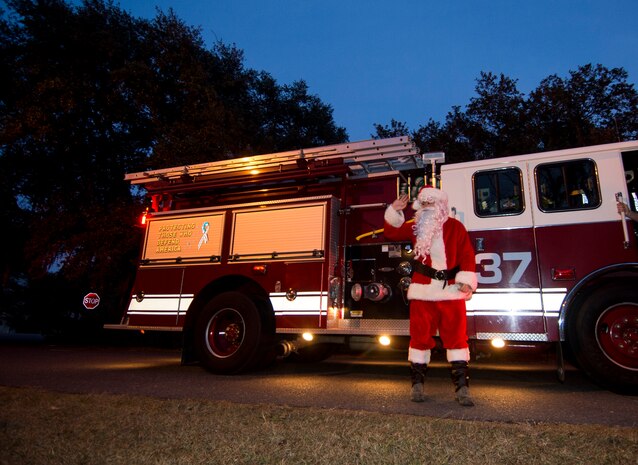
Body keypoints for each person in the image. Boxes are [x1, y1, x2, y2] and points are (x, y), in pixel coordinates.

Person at [384, 187, 477, 406]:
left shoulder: (456, 227)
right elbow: (391, 233)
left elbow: (466, 254)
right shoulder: (416, 227)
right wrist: (395, 211)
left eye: (430, 204)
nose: (425, 208)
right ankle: (417, 386)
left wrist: (465, 280)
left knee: (456, 339)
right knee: (419, 338)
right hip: (422, 291)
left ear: (440, 206)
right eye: (422, 204)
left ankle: (462, 388)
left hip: (451, 292)